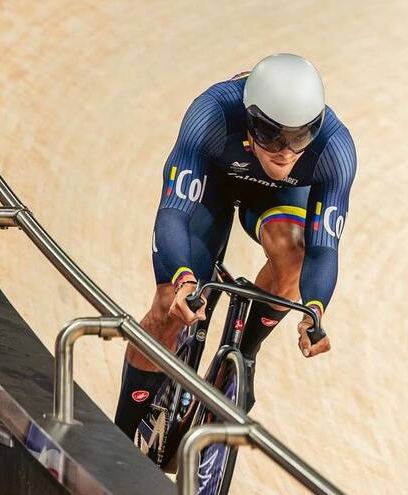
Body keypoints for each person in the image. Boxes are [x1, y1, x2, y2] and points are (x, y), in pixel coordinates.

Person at [113, 53, 357, 439]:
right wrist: (182, 280)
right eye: (272, 135)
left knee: (294, 252)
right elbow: (174, 214)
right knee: (167, 305)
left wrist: (314, 311)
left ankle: (244, 352)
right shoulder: (211, 114)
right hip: (214, 181)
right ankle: (120, 438)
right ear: (249, 117)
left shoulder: (335, 149)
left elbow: (324, 250)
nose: (285, 152)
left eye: (300, 138)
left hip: (277, 198)